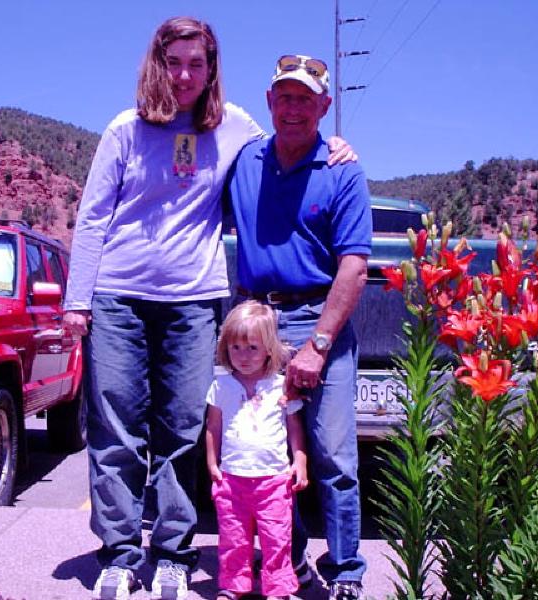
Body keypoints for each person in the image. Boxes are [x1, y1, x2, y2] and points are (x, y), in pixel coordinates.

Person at [63, 17, 355, 600]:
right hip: (119, 297)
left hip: (195, 302)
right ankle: (120, 552)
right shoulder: (125, 129)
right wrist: (77, 301)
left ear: (212, 69)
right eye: (174, 62)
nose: (185, 75)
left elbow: (291, 142)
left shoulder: (234, 126)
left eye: (197, 64)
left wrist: (338, 146)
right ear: (157, 63)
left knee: (183, 429)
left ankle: (172, 550)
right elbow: (93, 217)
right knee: (116, 430)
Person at [226, 54, 372, 600]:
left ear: (324, 107)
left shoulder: (342, 171)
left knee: (333, 455)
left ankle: (347, 571)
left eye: (305, 99)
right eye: (285, 96)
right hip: (256, 325)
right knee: (268, 455)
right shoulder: (243, 162)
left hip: (318, 321)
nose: (293, 108)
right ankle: (291, 558)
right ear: (269, 101)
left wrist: (317, 344)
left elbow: (354, 267)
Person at [205, 301, 308, 600]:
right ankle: (233, 585)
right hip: (232, 479)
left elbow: (294, 428)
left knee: (277, 538)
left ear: (268, 349)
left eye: (252, 347)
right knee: (234, 539)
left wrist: (299, 460)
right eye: (236, 348)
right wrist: (213, 462)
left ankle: (277, 589)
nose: (243, 356)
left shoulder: (280, 387)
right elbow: (213, 427)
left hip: (273, 481)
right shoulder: (221, 385)